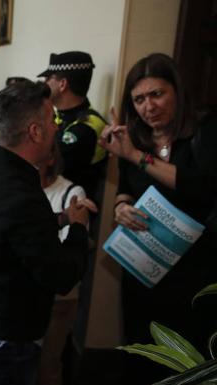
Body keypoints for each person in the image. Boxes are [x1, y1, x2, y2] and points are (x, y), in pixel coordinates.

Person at [0, 81, 94, 385]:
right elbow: (62, 276)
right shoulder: (20, 194)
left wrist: (60, 219)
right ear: (35, 131)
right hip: (8, 339)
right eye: (53, 120)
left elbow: (9, 232)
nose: (57, 128)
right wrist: (78, 228)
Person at [99, 53, 217, 385]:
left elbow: (201, 187)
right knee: (144, 351)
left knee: (187, 355)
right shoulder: (133, 138)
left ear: (177, 91)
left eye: (157, 94)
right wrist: (119, 208)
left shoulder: (204, 130)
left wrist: (136, 157)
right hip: (144, 266)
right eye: (138, 99)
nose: (148, 106)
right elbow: (125, 188)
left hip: (194, 270)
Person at [37, 144, 87, 385]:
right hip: (25, 292)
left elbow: (71, 245)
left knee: (48, 364)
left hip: (59, 296)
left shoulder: (71, 192)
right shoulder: (17, 190)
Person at [39, 51, 107, 202]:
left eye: (48, 78)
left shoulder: (87, 126)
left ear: (62, 84)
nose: (45, 83)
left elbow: (50, 165)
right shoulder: (59, 116)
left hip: (72, 209)